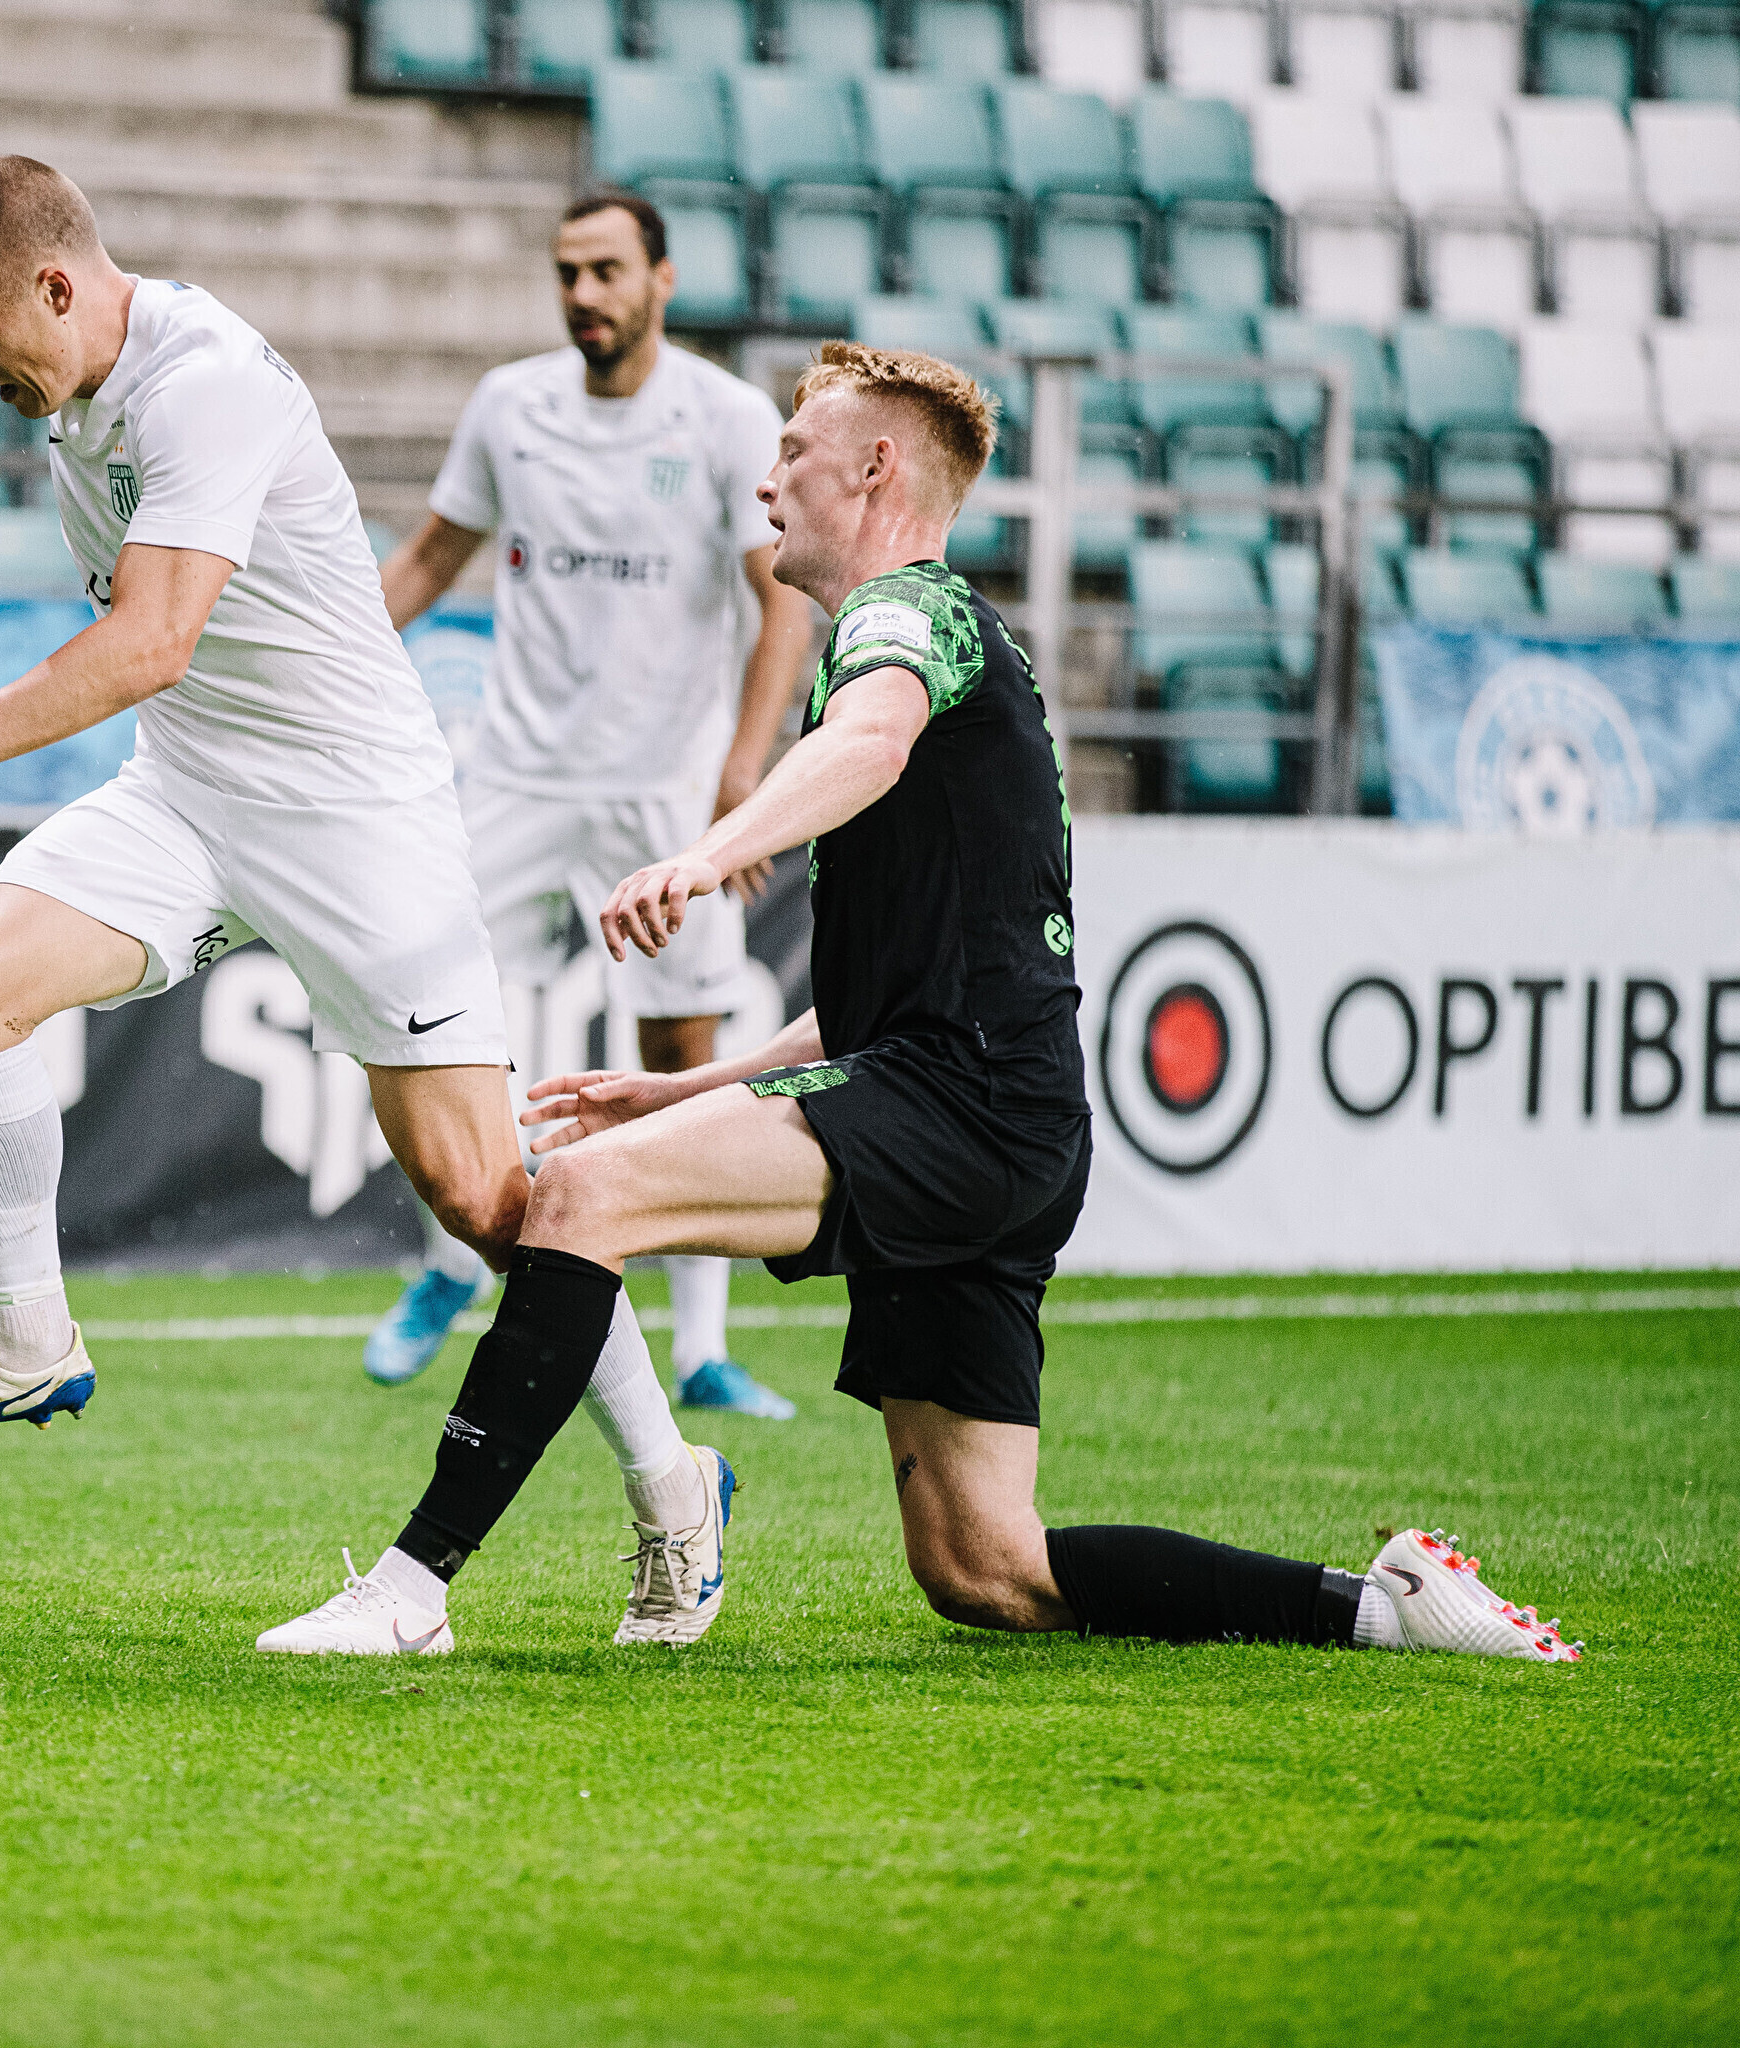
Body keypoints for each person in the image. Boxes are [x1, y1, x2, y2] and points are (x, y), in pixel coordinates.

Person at [256, 341, 1581, 1666]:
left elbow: (870, 743)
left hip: (964, 1104)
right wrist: (683, 1089)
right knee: (985, 1567)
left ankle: (413, 1590)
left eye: (793, 452)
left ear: (876, 468)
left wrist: (706, 856)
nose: (766, 480)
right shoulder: (932, 643)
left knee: (579, 1197)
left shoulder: (908, 614)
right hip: (999, 1112)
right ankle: (1378, 1602)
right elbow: (885, 1004)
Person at [0, 158, 737, 1647]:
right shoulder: (73, 396)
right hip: (189, 794)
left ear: (56, 286)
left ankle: (678, 1495)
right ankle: (28, 1336)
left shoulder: (205, 381)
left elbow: (149, 643)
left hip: (358, 820)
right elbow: (171, 666)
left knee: (492, 1203)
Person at [361, 189, 822, 1421]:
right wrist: (324, 651)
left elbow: (780, 597)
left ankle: (704, 1347)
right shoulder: (510, 404)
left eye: (608, 270)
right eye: (568, 271)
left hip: (665, 787)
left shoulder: (725, 417)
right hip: (514, 773)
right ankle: (447, 1264)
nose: (584, 294)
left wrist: (744, 771)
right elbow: (429, 558)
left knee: (684, 1051)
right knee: (437, 1014)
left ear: (661, 279)